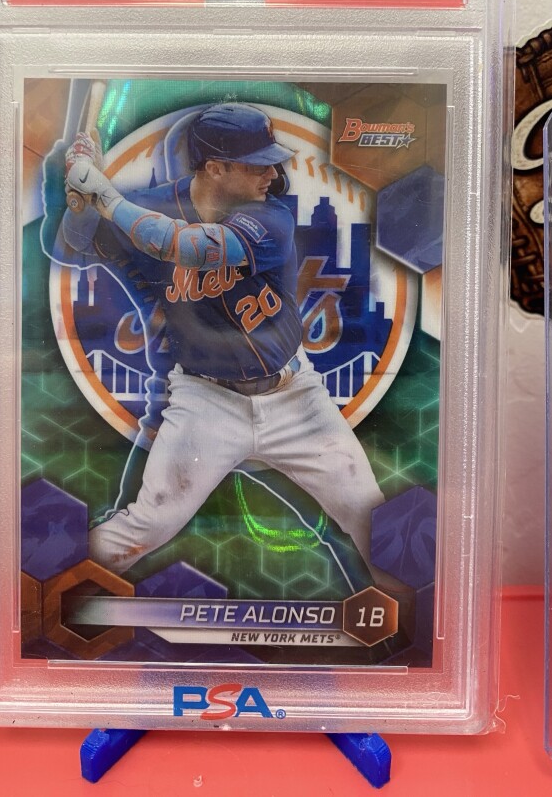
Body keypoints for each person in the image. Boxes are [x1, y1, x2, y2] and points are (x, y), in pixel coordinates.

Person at [62, 102, 389, 583]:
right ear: (215, 168)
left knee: (371, 517)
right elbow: (73, 244)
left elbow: (191, 247)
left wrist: (105, 196)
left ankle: (418, 616)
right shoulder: (147, 206)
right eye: (257, 164)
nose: (272, 173)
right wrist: (78, 200)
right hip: (205, 400)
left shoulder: (271, 216)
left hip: (295, 398)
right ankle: (46, 594)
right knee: (147, 524)